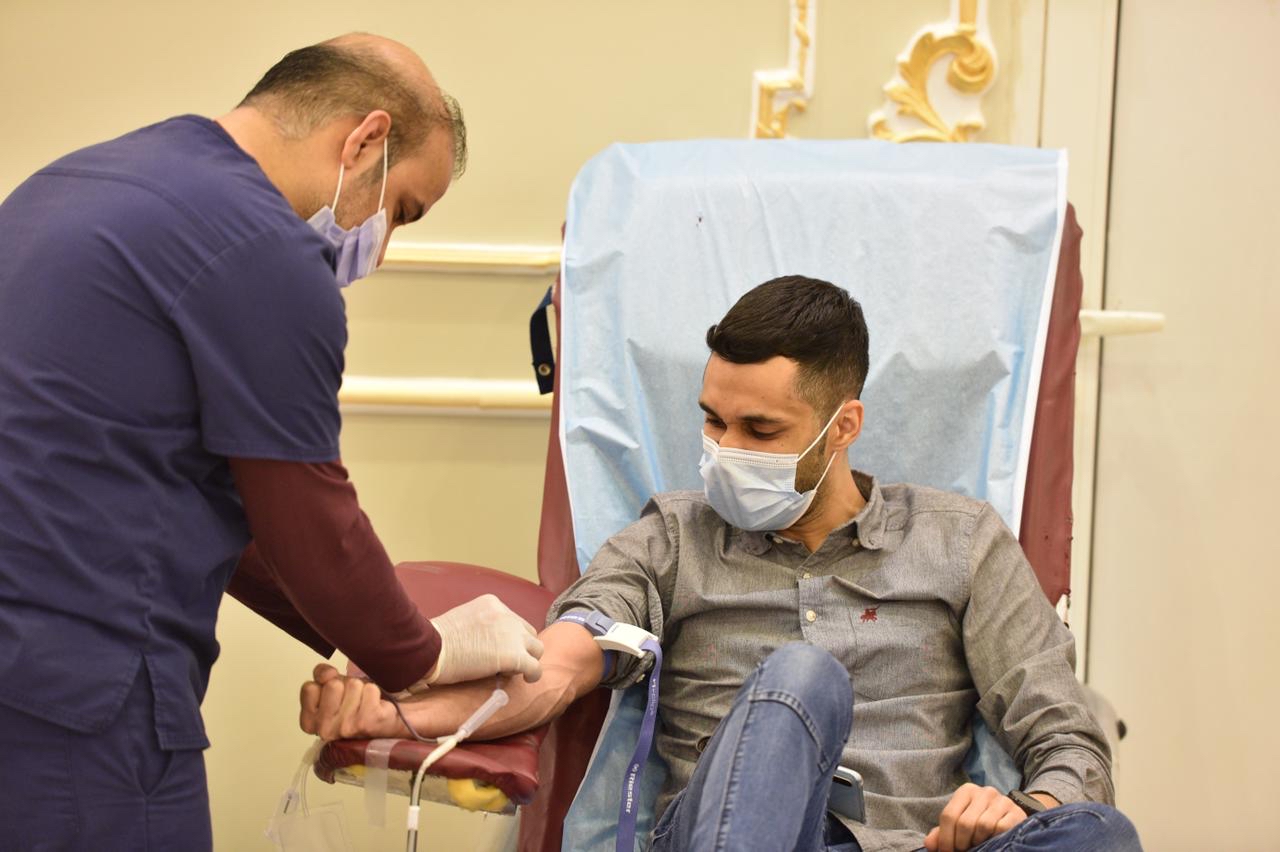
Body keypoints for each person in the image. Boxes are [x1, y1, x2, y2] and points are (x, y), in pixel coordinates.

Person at [298, 276, 1143, 851]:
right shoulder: (670, 540)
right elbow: (553, 670)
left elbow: (1065, 733)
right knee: (802, 677)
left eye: (760, 431)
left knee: (1100, 834)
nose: (725, 449)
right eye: (713, 420)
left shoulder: (959, 543)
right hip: (726, 833)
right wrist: (393, 714)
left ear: (844, 427)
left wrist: (1021, 810)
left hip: (914, 840)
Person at [0, 34, 542, 851]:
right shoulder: (265, 251)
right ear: (365, 140)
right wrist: (425, 656)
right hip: (77, 692)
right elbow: (304, 516)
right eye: (401, 210)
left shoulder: (77, 183)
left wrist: (367, 640)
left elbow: (205, 492)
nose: (383, 247)